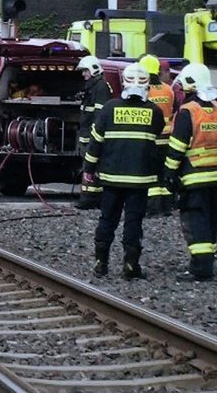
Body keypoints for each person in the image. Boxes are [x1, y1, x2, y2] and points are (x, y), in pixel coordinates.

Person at [83, 63, 164, 280]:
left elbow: (95, 142)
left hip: (111, 178)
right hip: (140, 180)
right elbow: (158, 142)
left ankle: (101, 262)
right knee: (133, 222)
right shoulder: (154, 112)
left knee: (107, 218)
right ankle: (130, 264)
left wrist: (88, 169)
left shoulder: (110, 108)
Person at [162, 64, 217, 282]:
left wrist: (169, 173)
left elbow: (177, 146)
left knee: (195, 220)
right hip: (216, 177)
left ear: (190, 84)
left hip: (194, 177)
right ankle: (207, 262)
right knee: (210, 220)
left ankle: (200, 268)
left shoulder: (188, 112)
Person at [140, 55, 176, 217]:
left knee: (152, 174)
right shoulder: (168, 89)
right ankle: (167, 208)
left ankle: (153, 208)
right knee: (165, 173)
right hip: (167, 138)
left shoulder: (144, 90)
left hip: (151, 138)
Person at [75, 55, 112, 210]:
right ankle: (89, 198)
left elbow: (99, 115)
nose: (83, 74)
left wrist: (95, 136)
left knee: (92, 167)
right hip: (86, 135)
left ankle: (90, 199)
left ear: (94, 70)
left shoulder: (101, 87)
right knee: (88, 167)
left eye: (85, 71)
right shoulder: (93, 87)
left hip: (91, 136)